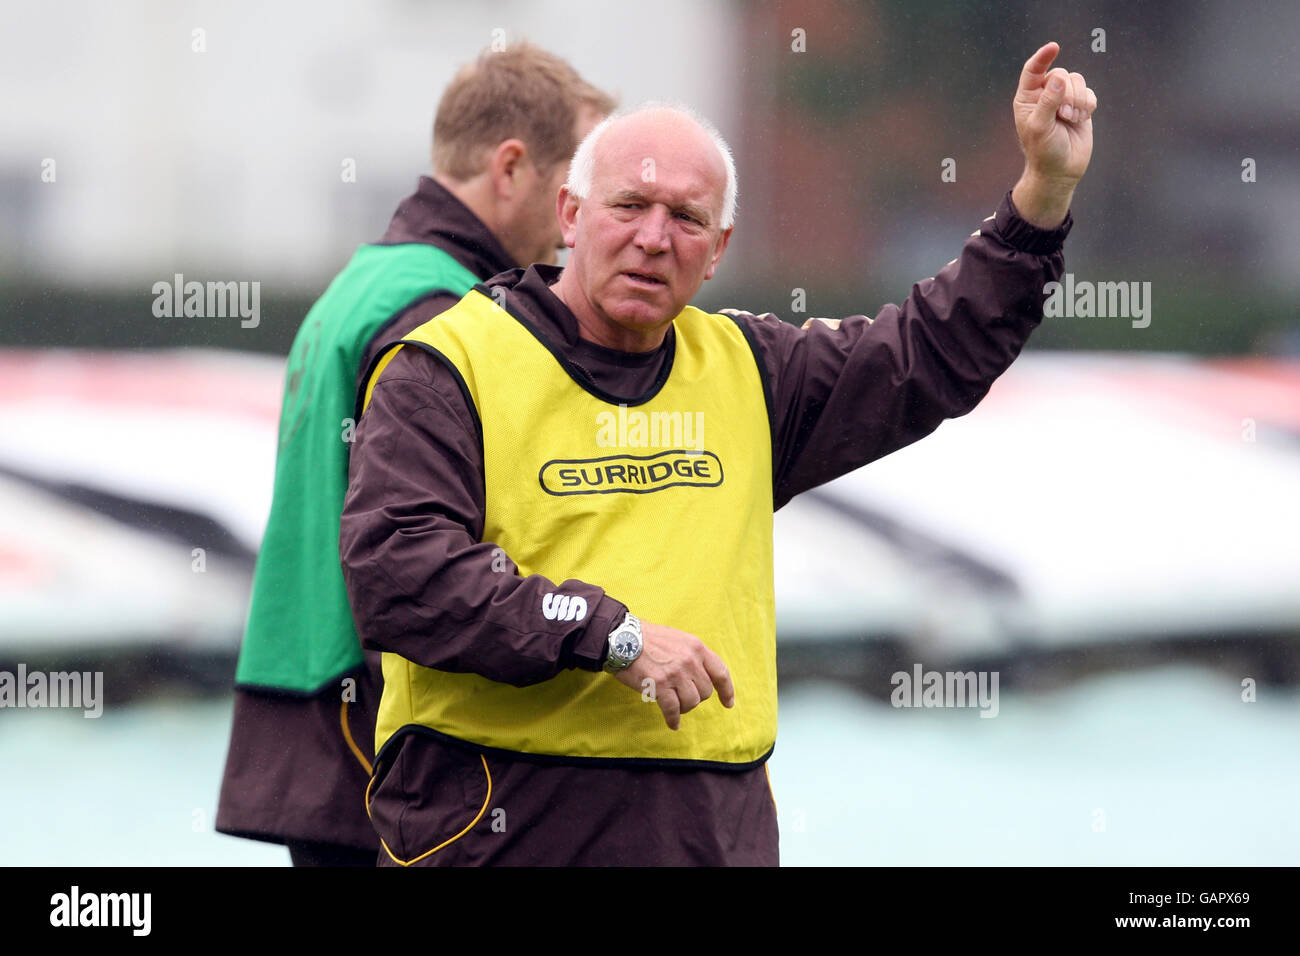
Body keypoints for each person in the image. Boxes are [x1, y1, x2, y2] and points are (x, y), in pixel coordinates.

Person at [340, 42, 1096, 866]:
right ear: (569, 213)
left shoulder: (752, 370)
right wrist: (610, 634)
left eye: (686, 218)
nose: (654, 238)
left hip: (708, 829)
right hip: (497, 825)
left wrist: (1043, 194)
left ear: (719, 247)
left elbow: (931, 349)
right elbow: (398, 575)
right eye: (629, 204)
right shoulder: (445, 363)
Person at [215, 42, 614, 866]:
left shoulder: (365, 282)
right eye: (574, 187)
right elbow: (411, 549)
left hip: (307, 711)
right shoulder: (444, 313)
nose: (581, 223)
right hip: (378, 736)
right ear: (511, 168)